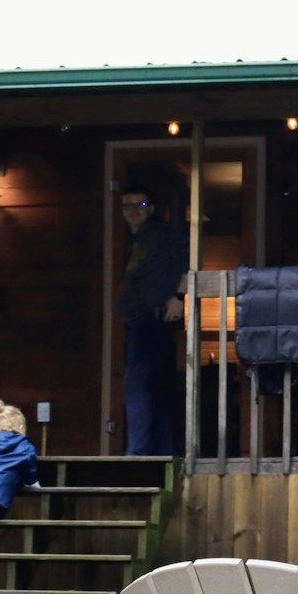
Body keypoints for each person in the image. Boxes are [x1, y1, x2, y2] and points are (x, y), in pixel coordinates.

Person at [118, 186, 187, 455]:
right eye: (127, 206)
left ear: (152, 209)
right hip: (140, 320)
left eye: (140, 204)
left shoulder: (162, 234)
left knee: (137, 384)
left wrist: (178, 296)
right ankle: (160, 452)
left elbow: (189, 260)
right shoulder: (138, 240)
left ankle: (138, 454)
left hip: (153, 319)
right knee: (155, 386)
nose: (134, 211)